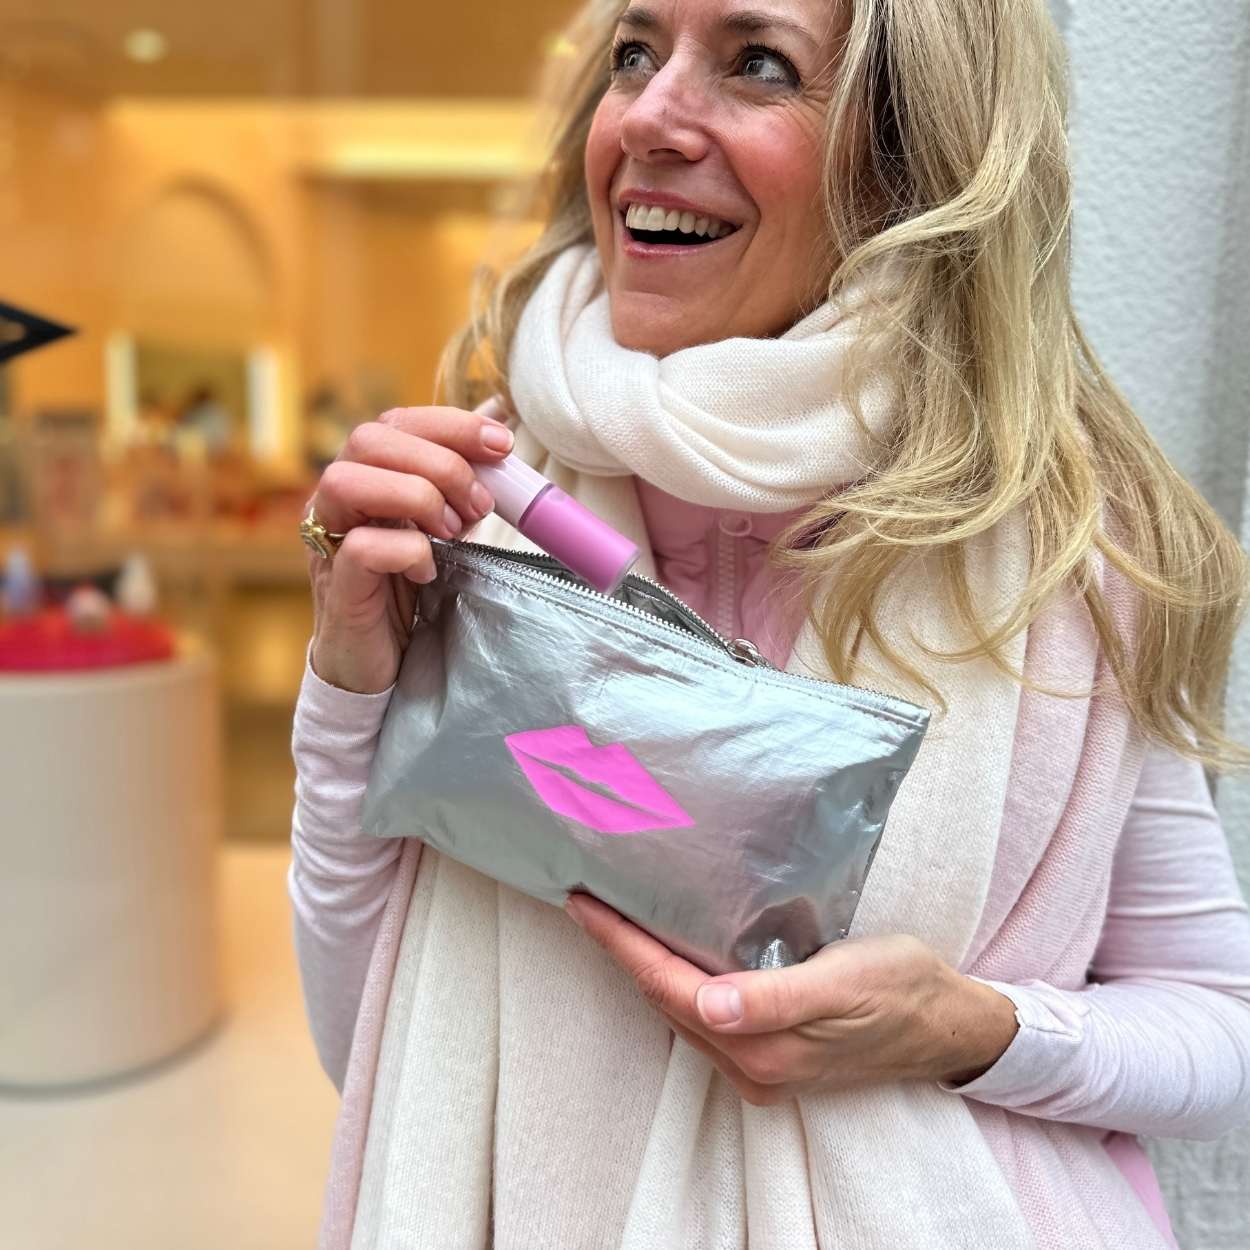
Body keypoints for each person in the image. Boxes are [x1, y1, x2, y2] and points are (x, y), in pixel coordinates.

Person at [289, 2, 1250, 1246]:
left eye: (756, 64)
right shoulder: (483, 510)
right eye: (636, 54)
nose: (642, 115)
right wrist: (350, 683)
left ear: (908, 160)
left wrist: (961, 1027)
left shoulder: (1068, 556)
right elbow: (358, 1033)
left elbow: (1216, 1027)